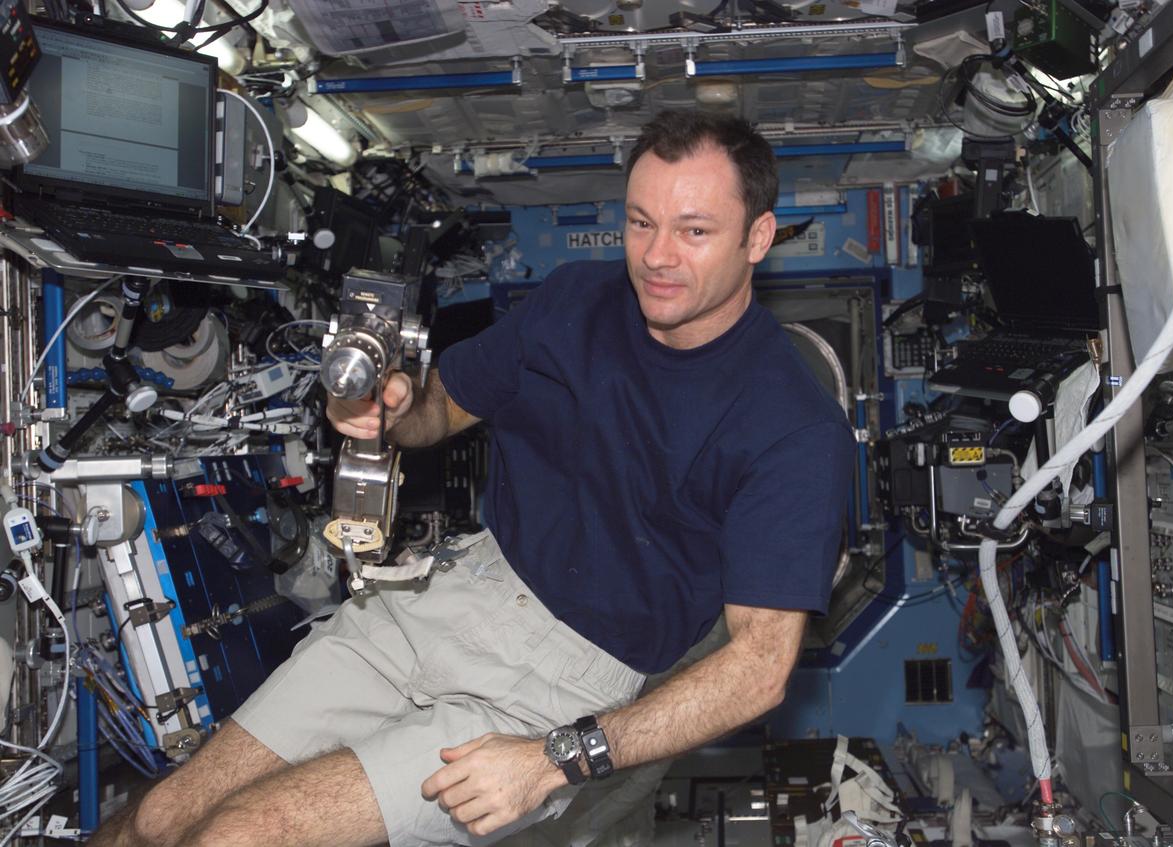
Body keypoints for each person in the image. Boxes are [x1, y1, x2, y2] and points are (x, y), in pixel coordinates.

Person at [87, 109, 854, 847]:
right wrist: (386, 407)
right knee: (163, 815)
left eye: (694, 231)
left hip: (556, 683)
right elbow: (439, 410)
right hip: (447, 591)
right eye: (641, 221)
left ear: (758, 237)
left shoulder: (792, 426)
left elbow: (758, 669)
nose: (656, 256)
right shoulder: (576, 300)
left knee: (239, 833)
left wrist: (557, 758)